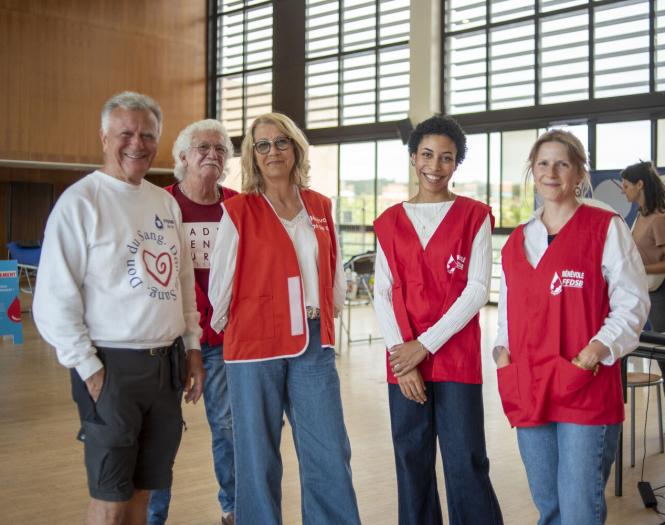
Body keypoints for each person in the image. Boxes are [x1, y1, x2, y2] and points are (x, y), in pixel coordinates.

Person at [32, 91, 205, 525]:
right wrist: (88, 368)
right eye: (126, 133)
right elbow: (54, 299)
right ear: (104, 137)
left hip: (165, 367)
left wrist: (192, 347)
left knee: (143, 499)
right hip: (111, 368)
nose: (138, 143)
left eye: (148, 135)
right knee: (110, 502)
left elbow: (183, 282)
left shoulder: (164, 202)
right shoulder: (81, 201)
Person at [208, 112, 360, 524]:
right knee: (256, 451)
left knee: (329, 447)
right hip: (255, 340)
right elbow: (220, 285)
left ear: (295, 147)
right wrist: (237, 326)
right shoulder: (238, 211)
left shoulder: (320, 206)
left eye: (281, 142)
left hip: (312, 340)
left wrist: (327, 315)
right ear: (253, 156)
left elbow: (331, 271)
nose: (273, 151)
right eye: (263, 145)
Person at [494, 130, 649, 525]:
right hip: (529, 384)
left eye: (562, 163)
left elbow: (632, 303)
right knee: (550, 507)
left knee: (579, 509)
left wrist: (593, 352)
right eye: (543, 163)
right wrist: (501, 354)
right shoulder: (517, 241)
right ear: (532, 170)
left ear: (579, 172)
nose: (551, 172)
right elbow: (507, 313)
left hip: (584, 383)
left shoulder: (605, 227)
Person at [373, 116, 504, 524]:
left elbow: (477, 289)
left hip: (455, 359)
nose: (435, 165)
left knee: (466, 459)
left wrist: (422, 347)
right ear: (414, 157)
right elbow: (382, 292)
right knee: (411, 459)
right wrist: (403, 356)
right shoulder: (389, 221)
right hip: (404, 359)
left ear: (456, 164)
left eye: (446, 158)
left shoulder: (474, 216)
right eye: (427, 154)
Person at [147, 119, 238, 525]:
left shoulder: (239, 206)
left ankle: (233, 507)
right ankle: (153, 515)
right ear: (182, 157)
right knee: (162, 434)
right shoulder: (159, 204)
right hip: (168, 339)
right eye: (203, 147)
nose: (212, 155)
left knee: (228, 428)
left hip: (223, 340)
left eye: (220, 149)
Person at [621, 161, 665, 442]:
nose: (623, 190)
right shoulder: (640, 215)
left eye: (626, 185)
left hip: (662, 293)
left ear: (640, 185)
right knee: (622, 345)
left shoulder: (660, 218)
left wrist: (637, 267)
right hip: (639, 291)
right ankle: (614, 414)